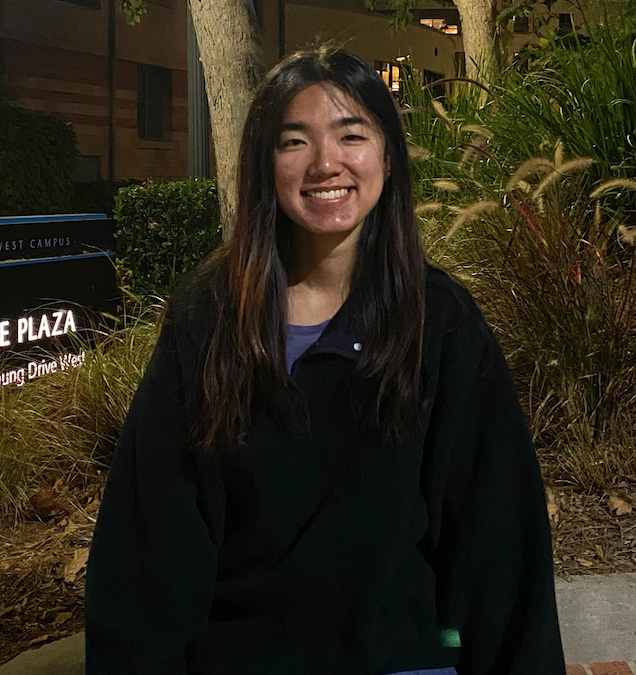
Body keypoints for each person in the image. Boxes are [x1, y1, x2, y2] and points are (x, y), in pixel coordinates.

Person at [85, 47, 566, 675]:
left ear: (388, 157)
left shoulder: (440, 325)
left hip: (396, 662)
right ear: (265, 164)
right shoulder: (208, 320)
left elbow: (499, 547)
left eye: (351, 135)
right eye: (294, 141)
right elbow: (150, 552)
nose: (325, 164)